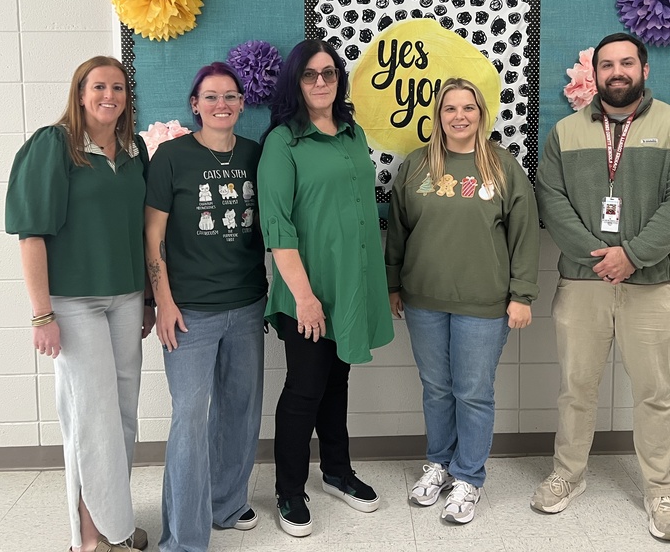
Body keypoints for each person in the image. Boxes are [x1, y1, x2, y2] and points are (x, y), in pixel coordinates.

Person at [532, 33, 670, 542]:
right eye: (607, 64)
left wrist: (630, 256)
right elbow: (552, 200)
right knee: (576, 388)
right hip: (583, 283)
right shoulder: (564, 132)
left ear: (644, 70)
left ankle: (661, 491)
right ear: (596, 74)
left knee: (655, 393)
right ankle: (569, 474)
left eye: (626, 62)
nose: (617, 72)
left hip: (652, 284)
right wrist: (601, 257)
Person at [5, 56, 153, 552]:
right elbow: (31, 235)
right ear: (80, 93)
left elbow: (143, 231)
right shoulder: (54, 146)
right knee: (93, 418)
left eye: (118, 87)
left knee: (123, 414)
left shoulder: (135, 152)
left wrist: (149, 298)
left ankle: (114, 522)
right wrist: (41, 313)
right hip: (74, 303)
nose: (108, 95)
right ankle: (92, 539)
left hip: (127, 296)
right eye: (98, 87)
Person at [386, 78, 539, 525]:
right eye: (449, 109)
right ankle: (438, 464)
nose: (459, 116)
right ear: (438, 116)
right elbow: (398, 232)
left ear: (481, 113)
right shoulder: (416, 167)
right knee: (436, 388)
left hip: (484, 303)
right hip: (423, 300)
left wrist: (522, 294)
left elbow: (525, 236)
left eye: (467, 108)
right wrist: (393, 284)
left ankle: (468, 476)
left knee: (472, 392)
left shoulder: (503, 168)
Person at [257, 39, 394, 537]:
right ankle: (290, 490)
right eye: (311, 74)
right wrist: (305, 297)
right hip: (306, 292)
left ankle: (336, 471)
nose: (321, 82)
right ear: (295, 82)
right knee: (304, 390)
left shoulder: (352, 134)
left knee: (338, 384)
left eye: (330, 73)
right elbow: (278, 227)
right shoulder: (283, 143)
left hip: (349, 285)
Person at [144, 62, 267, 552]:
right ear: (194, 104)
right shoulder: (172, 157)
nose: (222, 105)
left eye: (231, 96)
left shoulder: (256, 155)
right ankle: (184, 539)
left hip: (247, 304)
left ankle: (227, 504)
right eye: (211, 97)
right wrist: (164, 302)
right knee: (190, 417)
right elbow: (152, 236)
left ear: (241, 103)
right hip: (189, 311)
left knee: (240, 411)